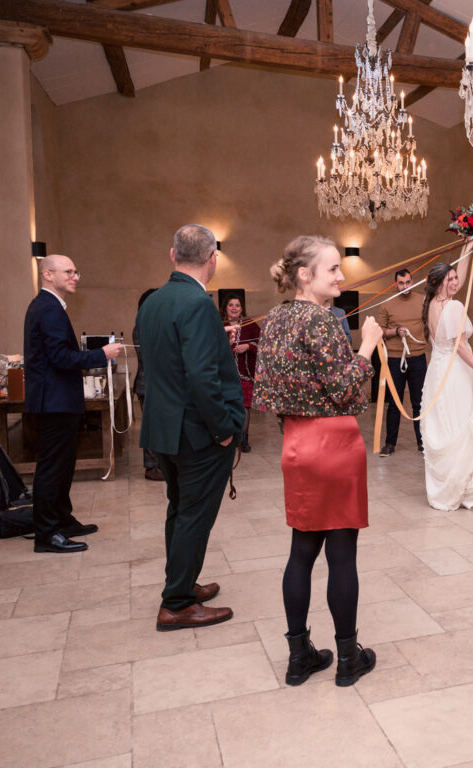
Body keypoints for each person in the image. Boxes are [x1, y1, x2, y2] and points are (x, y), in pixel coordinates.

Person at [254, 235, 383, 688]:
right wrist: (366, 345)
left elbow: (267, 392)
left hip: (296, 443)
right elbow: (347, 390)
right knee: (342, 555)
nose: (341, 277)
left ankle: (298, 657)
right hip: (334, 443)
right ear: (304, 275)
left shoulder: (273, 321)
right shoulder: (324, 320)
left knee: (301, 552)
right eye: (332, 269)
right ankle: (348, 658)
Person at [138, 224, 243, 631]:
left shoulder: (154, 301)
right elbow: (202, 377)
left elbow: (171, 364)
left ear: (172, 255)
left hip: (163, 428)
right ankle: (177, 603)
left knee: (179, 510)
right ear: (213, 258)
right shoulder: (199, 304)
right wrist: (224, 430)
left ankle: (181, 584)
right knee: (193, 517)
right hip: (196, 433)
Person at [24, 255, 122, 553]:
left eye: (75, 271)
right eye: (68, 272)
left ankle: (62, 519)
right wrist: (100, 354)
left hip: (59, 399)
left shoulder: (50, 306)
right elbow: (61, 358)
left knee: (64, 464)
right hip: (53, 401)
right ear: (48, 274)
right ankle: (46, 533)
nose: (75, 276)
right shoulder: (48, 308)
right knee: (52, 467)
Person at [421, 261, 473, 511]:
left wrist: (469, 241)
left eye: (456, 277)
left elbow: (460, 278)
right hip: (454, 373)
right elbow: (462, 348)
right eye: (451, 279)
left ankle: (445, 488)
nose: (456, 282)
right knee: (460, 427)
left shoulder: (432, 304)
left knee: (446, 426)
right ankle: (465, 489)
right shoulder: (453, 306)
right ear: (439, 283)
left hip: (436, 371)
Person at [376, 268, 427, 456]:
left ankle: (423, 442)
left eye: (408, 282)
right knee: (395, 402)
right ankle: (390, 444)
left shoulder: (422, 300)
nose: (405, 286)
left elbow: (430, 322)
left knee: (419, 402)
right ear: (395, 284)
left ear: (412, 281)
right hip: (395, 358)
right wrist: (395, 332)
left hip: (418, 357)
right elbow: (379, 331)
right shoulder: (387, 304)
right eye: (401, 283)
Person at [221, 294, 260, 452]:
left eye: (237, 305)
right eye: (231, 305)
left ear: (242, 308)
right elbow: (212, 348)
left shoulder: (250, 325)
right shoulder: (220, 326)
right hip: (225, 376)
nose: (234, 308)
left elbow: (262, 345)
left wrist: (248, 347)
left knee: (244, 407)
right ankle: (229, 438)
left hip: (245, 374)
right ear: (226, 308)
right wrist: (227, 344)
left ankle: (243, 439)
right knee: (227, 407)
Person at [133, 288, 163, 481]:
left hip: (155, 384)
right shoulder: (143, 325)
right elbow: (152, 357)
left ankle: (161, 465)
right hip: (149, 384)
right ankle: (152, 468)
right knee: (152, 428)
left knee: (159, 427)